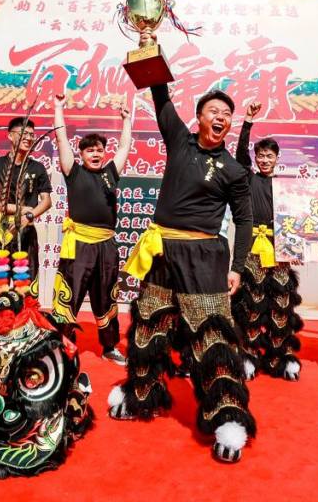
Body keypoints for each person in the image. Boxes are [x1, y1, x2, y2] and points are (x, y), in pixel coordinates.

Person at [108, 30, 255, 464]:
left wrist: (238, 267)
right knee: (148, 327)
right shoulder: (178, 139)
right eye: (213, 111)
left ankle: (228, 420)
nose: (221, 117)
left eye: (226, 114)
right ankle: (141, 394)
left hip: (205, 258)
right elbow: (159, 92)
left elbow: (244, 221)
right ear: (199, 118)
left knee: (213, 338)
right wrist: (147, 41)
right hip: (161, 252)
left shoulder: (234, 170)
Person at [51, 94, 133, 365]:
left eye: (99, 150)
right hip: (79, 246)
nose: (96, 154)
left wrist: (127, 120)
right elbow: (61, 139)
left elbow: (124, 146)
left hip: (106, 246)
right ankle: (62, 347)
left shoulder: (110, 174)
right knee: (69, 297)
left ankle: (109, 347)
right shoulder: (73, 172)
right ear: (81, 154)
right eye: (90, 151)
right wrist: (59, 108)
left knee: (107, 297)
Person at [230, 100, 303, 381]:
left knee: (281, 305)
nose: (264, 160)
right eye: (260, 155)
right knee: (251, 304)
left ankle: (280, 358)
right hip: (253, 249)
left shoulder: (287, 187)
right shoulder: (249, 179)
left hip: (279, 248)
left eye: (269, 156)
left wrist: (298, 248)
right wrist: (248, 122)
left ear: (276, 158)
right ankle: (248, 357)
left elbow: (298, 220)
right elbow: (240, 155)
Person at [0, 117, 52, 312]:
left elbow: (46, 201)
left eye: (32, 135)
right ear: (10, 136)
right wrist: (18, 210)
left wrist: (29, 216)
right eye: (24, 133)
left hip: (26, 233)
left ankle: (25, 326)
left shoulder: (37, 168)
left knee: (25, 287)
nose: (29, 138)